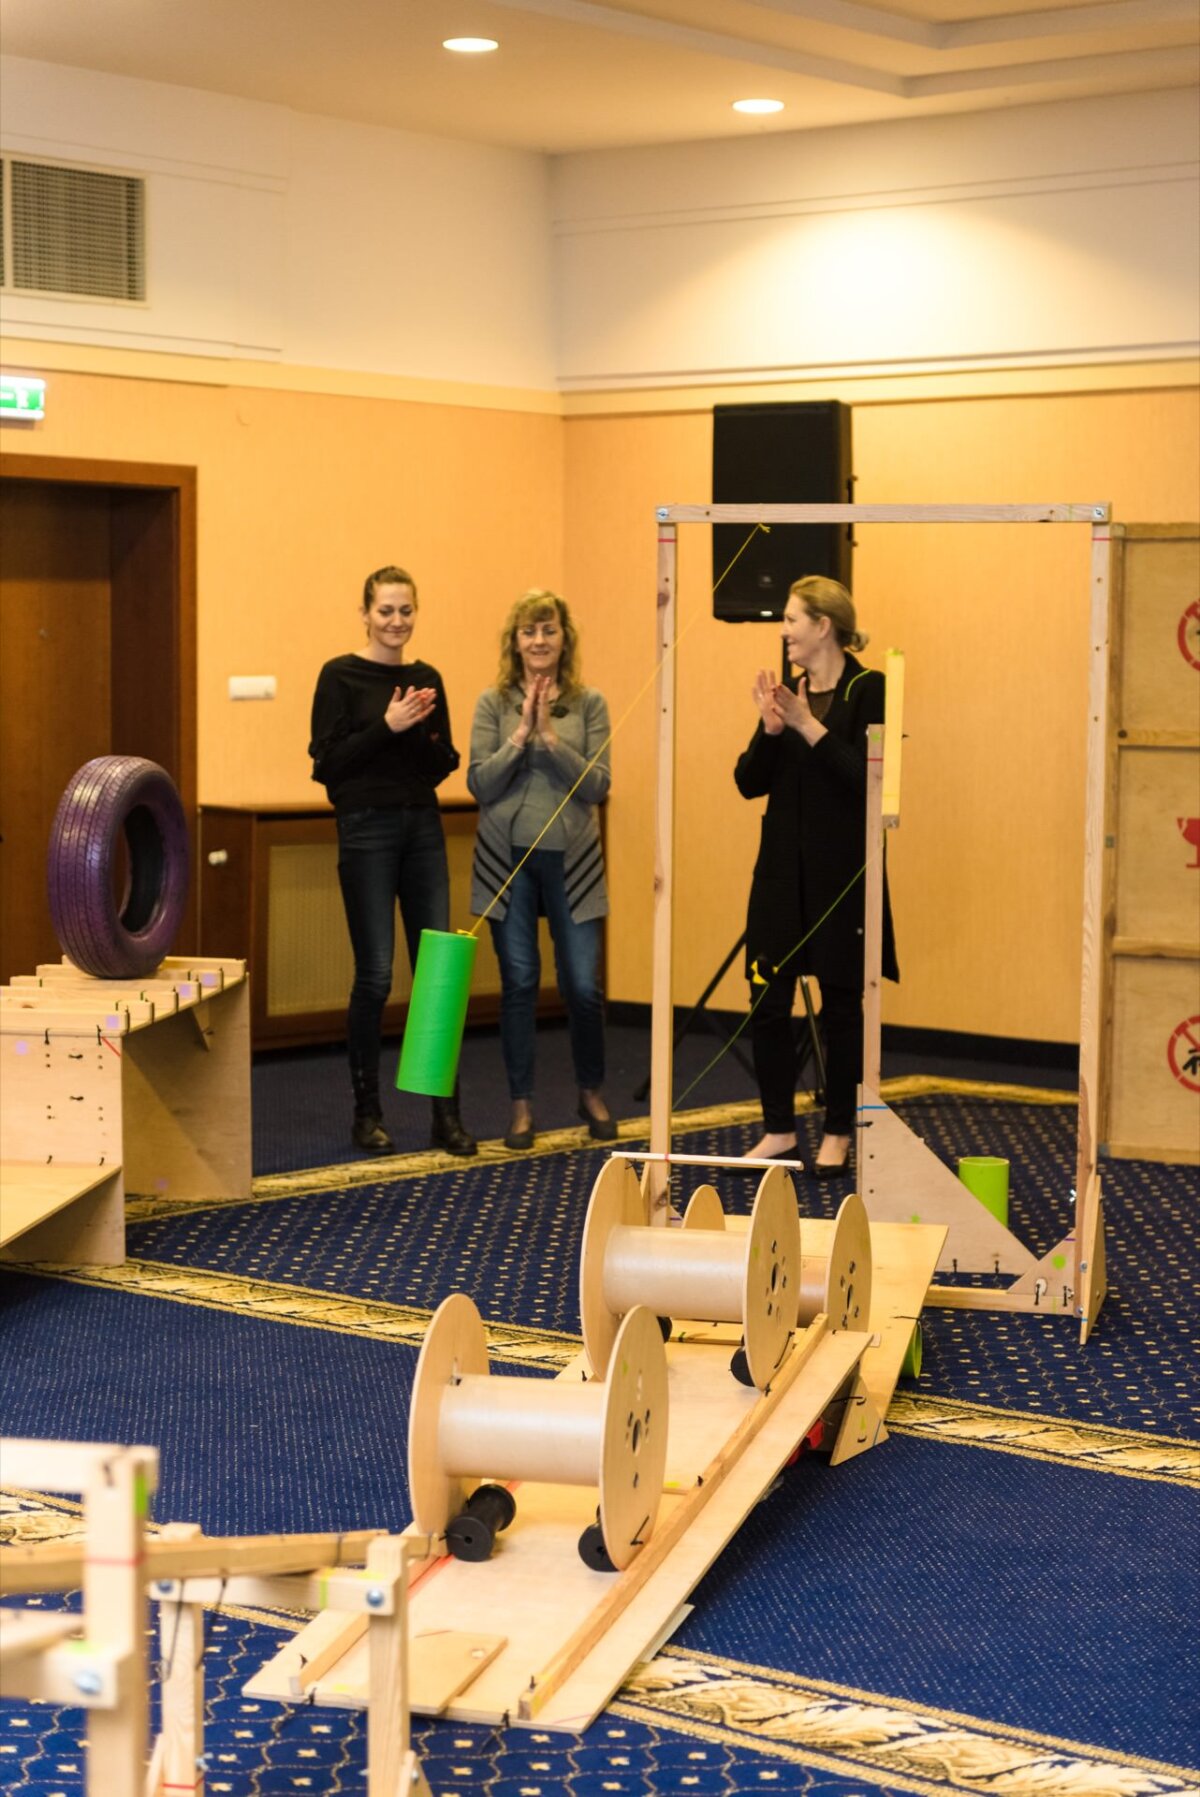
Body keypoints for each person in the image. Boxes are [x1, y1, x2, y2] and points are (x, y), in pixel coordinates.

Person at [309, 565, 476, 1157]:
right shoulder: (340, 676)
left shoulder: (427, 677)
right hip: (365, 832)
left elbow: (440, 765)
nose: (396, 622)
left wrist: (421, 734)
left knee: (439, 971)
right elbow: (327, 766)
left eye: (406, 611)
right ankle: (368, 1114)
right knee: (376, 975)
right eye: (385, 611)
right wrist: (388, 725)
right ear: (365, 613)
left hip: (422, 828)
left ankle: (445, 1117)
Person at [735, 575, 897, 1174]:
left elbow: (868, 782)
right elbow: (749, 782)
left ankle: (838, 1128)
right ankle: (777, 1128)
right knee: (766, 1003)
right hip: (779, 877)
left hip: (841, 879)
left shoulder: (870, 689)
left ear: (823, 625)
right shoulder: (787, 694)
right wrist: (773, 728)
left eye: (791, 619)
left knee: (840, 1007)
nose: (784, 631)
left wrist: (805, 723)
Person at [467, 589, 615, 1151]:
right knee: (520, 984)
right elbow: (480, 783)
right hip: (508, 866)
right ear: (515, 641)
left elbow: (599, 785)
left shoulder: (590, 703)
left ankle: (591, 1092)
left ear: (563, 639)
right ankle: (521, 1106)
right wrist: (521, 734)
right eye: (529, 631)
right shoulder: (492, 702)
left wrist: (551, 740)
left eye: (548, 630)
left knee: (581, 987)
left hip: (574, 864)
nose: (538, 641)